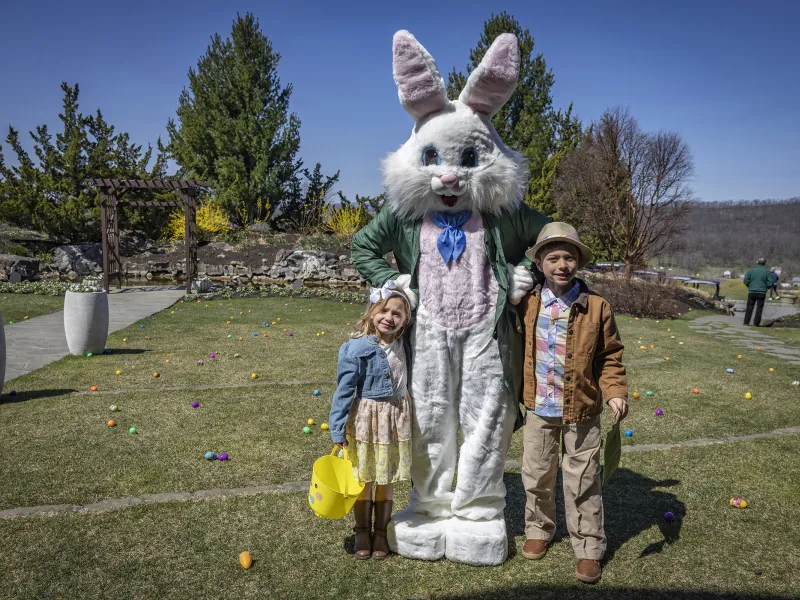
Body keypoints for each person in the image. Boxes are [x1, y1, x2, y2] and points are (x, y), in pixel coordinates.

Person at [517, 222, 629, 585]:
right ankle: (539, 528)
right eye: (553, 258)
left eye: (569, 257)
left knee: (583, 480)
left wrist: (614, 392)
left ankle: (588, 548)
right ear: (539, 263)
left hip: (581, 409)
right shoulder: (526, 303)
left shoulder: (596, 306)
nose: (561, 264)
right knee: (536, 475)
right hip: (538, 407)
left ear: (578, 261)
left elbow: (610, 356)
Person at [328, 281, 416, 560]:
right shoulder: (356, 348)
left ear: (405, 321)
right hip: (368, 419)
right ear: (371, 312)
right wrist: (338, 427)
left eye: (397, 314)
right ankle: (362, 532)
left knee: (386, 477)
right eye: (384, 311)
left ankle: (381, 533)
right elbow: (344, 391)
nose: (389, 318)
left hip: (395, 419)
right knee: (366, 477)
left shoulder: (406, 344)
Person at [743, 258, 771, 325]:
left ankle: (746, 322)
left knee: (749, 307)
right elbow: (771, 282)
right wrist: (766, 287)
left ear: (757, 262)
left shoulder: (751, 271)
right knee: (759, 308)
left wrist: (750, 286)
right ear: (764, 263)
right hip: (762, 292)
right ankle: (756, 323)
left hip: (752, 292)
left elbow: (745, 281)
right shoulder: (767, 271)